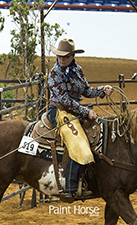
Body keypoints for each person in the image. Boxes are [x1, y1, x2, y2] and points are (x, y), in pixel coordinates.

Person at [46, 38, 113, 201]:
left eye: (66, 56)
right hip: (58, 111)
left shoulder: (78, 70)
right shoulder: (55, 73)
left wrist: (101, 91)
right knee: (77, 141)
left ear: (72, 56)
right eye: (60, 56)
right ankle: (69, 188)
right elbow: (63, 100)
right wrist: (85, 111)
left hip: (74, 111)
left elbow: (87, 91)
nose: (62, 59)